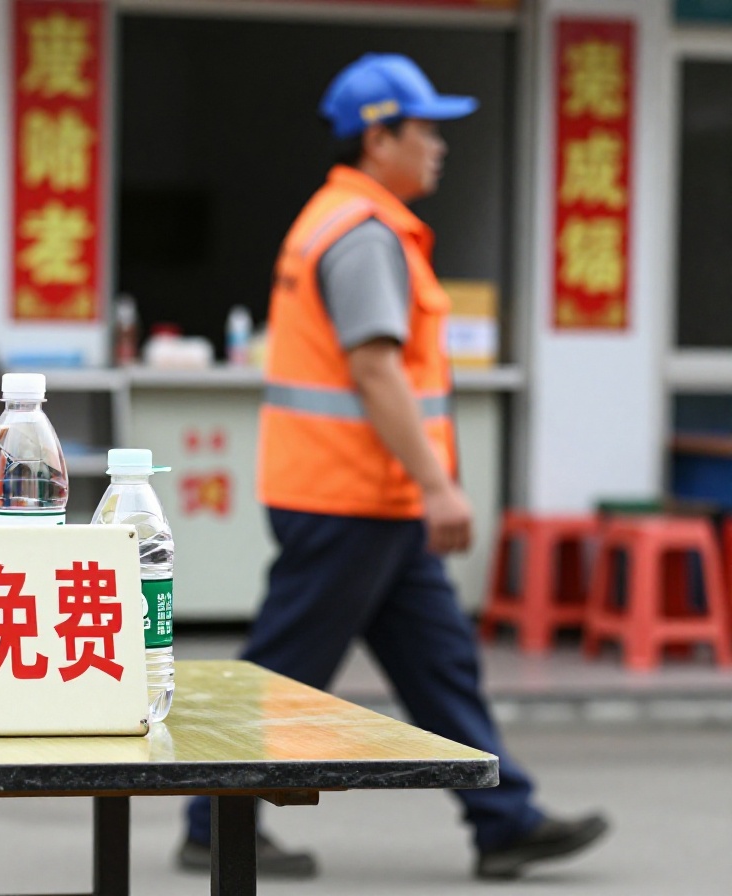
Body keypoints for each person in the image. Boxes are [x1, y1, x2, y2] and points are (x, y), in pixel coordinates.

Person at [175, 54, 609, 882]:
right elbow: (376, 370)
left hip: (368, 496)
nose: (440, 145)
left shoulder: (350, 222)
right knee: (288, 666)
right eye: (426, 128)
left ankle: (503, 816)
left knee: (437, 660)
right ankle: (209, 817)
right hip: (348, 496)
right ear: (379, 137)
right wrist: (441, 485)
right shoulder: (363, 236)